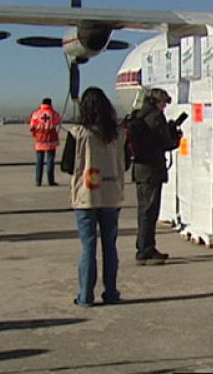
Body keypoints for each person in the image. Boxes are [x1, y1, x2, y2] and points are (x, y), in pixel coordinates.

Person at [66, 87, 128, 306]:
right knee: (110, 245)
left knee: (88, 246)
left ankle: (85, 296)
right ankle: (111, 292)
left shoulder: (78, 133)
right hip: (111, 194)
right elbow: (126, 162)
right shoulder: (119, 134)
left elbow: (67, 165)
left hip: (86, 196)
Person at [130, 88, 181, 266]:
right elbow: (165, 143)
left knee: (143, 210)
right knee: (149, 211)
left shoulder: (138, 115)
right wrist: (174, 136)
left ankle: (144, 246)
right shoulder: (155, 117)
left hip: (140, 169)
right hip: (152, 169)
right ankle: (146, 250)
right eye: (163, 103)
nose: (164, 106)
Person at [29, 97, 62, 186]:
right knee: (50, 161)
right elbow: (58, 121)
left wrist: (35, 135)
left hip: (39, 140)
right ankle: (50, 181)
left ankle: (38, 181)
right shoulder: (53, 113)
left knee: (39, 161)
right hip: (51, 140)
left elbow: (32, 127)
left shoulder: (36, 113)